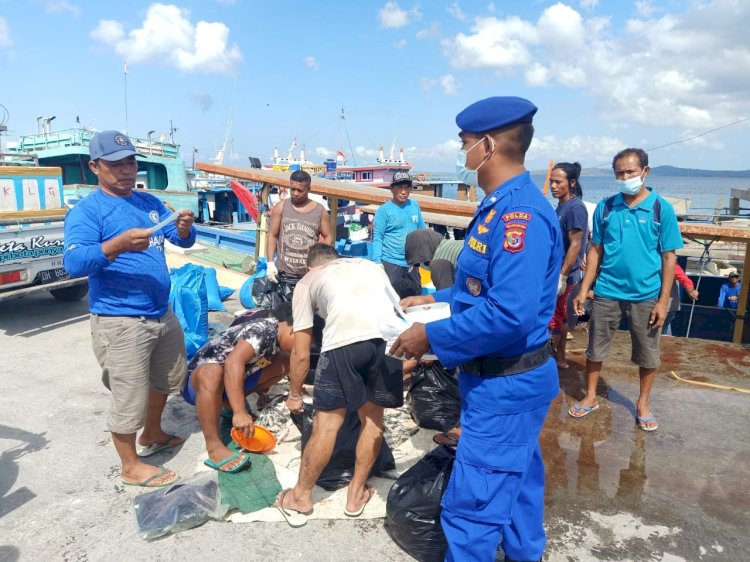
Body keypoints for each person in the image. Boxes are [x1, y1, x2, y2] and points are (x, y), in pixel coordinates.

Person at [390, 96, 563, 562]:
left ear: (487, 145)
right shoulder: (498, 206)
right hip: (502, 382)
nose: (462, 153)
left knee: (472, 511)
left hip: (505, 384)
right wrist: (434, 299)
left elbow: (510, 313)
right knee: (520, 487)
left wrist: (430, 337)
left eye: (465, 144)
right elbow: (480, 290)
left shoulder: (519, 217)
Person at [63, 130, 196, 488]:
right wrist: (116, 245)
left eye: (130, 162)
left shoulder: (147, 201)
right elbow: (74, 263)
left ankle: (152, 432)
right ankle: (130, 465)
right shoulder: (87, 212)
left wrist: (184, 229)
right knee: (128, 394)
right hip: (120, 320)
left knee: (166, 379)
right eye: (115, 164)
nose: (125, 170)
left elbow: (179, 239)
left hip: (160, 312)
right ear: (95, 167)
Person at [275, 244, 403, 527]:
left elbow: (300, 352)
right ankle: (355, 496)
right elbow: (397, 308)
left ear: (311, 267)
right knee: (372, 420)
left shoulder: (307, 281)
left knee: (327, 424)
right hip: (392, 340)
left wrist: (295, 394)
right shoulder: (370, 266)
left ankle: (300, 497)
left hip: (345, 343)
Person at [571, 148, 684, 432]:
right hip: (607, 291)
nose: (625, 178)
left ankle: (643, 403)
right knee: (595, 348)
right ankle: (590, 396)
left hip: (646, 295)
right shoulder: (606, 208)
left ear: (645, 171)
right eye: (619, 173)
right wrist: (584, 289)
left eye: (630, 172)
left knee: (648, 354)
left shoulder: (661, 209)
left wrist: (663, 301)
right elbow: (594, 251)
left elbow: (669, 258)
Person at [185, 303, 294, 473]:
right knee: (213, 371)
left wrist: (262, 392)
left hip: (226, 385)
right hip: (198, 385)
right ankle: (214, 447)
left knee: (286, 360)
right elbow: (233, 362)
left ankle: (227, 402)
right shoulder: (264, 331)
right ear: (292, 331)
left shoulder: (275, 342)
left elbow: (258, 363)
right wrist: (240, 411)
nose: (301, 350)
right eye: (302, 345)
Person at [266, 170, 333, 297]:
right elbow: (272, 235)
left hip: (308, 275)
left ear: (309, 189)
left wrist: (321, 262)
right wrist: (270, 263)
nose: (295, 193)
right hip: (284, 274)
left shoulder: (320, 211)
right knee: (282, 314)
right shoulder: (281, 207)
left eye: (300, 190)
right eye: (292, 189)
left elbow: (328, 236)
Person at [548, 162, 588, 369]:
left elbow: (575, 243)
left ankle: (558, 359)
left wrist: (562, 277)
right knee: (557, 316)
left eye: (558, 182)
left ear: (571, 183)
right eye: (551, 181)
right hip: (555, 270)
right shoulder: (560, 206)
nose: (553, 186)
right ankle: (558, 357)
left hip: (565, 274)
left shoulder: (575, 207)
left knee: (557, 317)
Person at [372, 171, 426, 298]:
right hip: (391, 262)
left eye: (407, 187)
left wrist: (424, 256)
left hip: (412, 262)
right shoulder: (383, 210)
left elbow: (421, 230)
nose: (403, 191)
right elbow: (378, 237)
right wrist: (377, 262)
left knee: (416, 295)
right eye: (399, 187)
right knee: (390, 298)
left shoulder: (414, 205)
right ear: (392, 189)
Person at [663, 263, 699, 335]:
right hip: (669, 306)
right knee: (665, 329)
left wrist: (691, 290)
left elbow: (684, 279)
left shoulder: (669, 265)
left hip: (666, 307)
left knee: (660, 330)